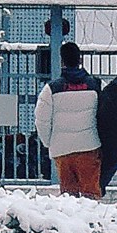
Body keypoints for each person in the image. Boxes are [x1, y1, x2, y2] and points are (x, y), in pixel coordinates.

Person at [34, 40, 102, 195]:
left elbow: (41, 120)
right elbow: (107, 114)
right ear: (80, 59)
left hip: (62, 150)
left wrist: (49, 143)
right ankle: (91, 220)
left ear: (62, 61)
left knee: (68, 198)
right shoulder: (96, 85)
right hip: (89, 147)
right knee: (90, 195)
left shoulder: (51, 89)